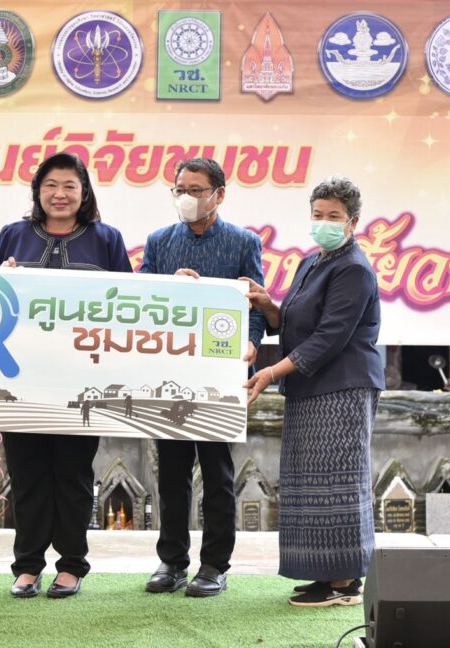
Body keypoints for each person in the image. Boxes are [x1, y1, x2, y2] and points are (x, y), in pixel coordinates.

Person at [0, 152, 133, 598]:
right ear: (37, 191)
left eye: (70, 185)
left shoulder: (107, 239)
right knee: (27, 476)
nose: (60, 194)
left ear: (84, 192)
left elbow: (133, 301)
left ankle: (71, 566)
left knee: (73, 476)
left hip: (83, 383)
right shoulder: (12, 235)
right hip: (19, 382)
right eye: (50, 185)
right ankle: (27, 566)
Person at [243, 175, 384, 607]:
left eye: (334, 216)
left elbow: (328, 338)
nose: (324, 222)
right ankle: (326, 574)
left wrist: (269, 373)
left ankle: (345, 582)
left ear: (353, 222)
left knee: (338, 483)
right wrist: (268, 305)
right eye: (318, 214)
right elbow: (294, 322)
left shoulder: (354, 269)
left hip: (342, 389)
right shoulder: (312, 262)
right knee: (310, 484)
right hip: (311, 387)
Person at [139, 157, 265, 597]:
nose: (186, 198)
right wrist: (167, 285)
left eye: (196, 190)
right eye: (180, 190)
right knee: (171, 473)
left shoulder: (243, 242)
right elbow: (139, 298)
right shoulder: (159, 242)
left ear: (219, 195)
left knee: (217, 473)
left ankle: (214, 565)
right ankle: (172, 561)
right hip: (170, 373)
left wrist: (252, 342)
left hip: (220, 376)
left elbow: (254, 304)